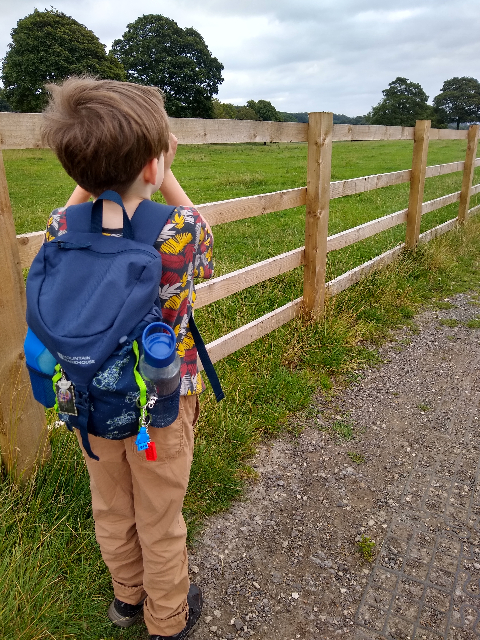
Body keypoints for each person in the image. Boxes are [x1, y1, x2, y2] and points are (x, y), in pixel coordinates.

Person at [41, 76, 214, 640]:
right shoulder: (177, 230)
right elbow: (205, 241)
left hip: (88, 399)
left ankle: (127, 599)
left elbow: (63, 226)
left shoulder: (62, 227)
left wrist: (91, 180)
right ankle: (167, 620)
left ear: (75, 173)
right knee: (159, 516)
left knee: (111, 506)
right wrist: (163, 167)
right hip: (159, 404)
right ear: (152, 165)